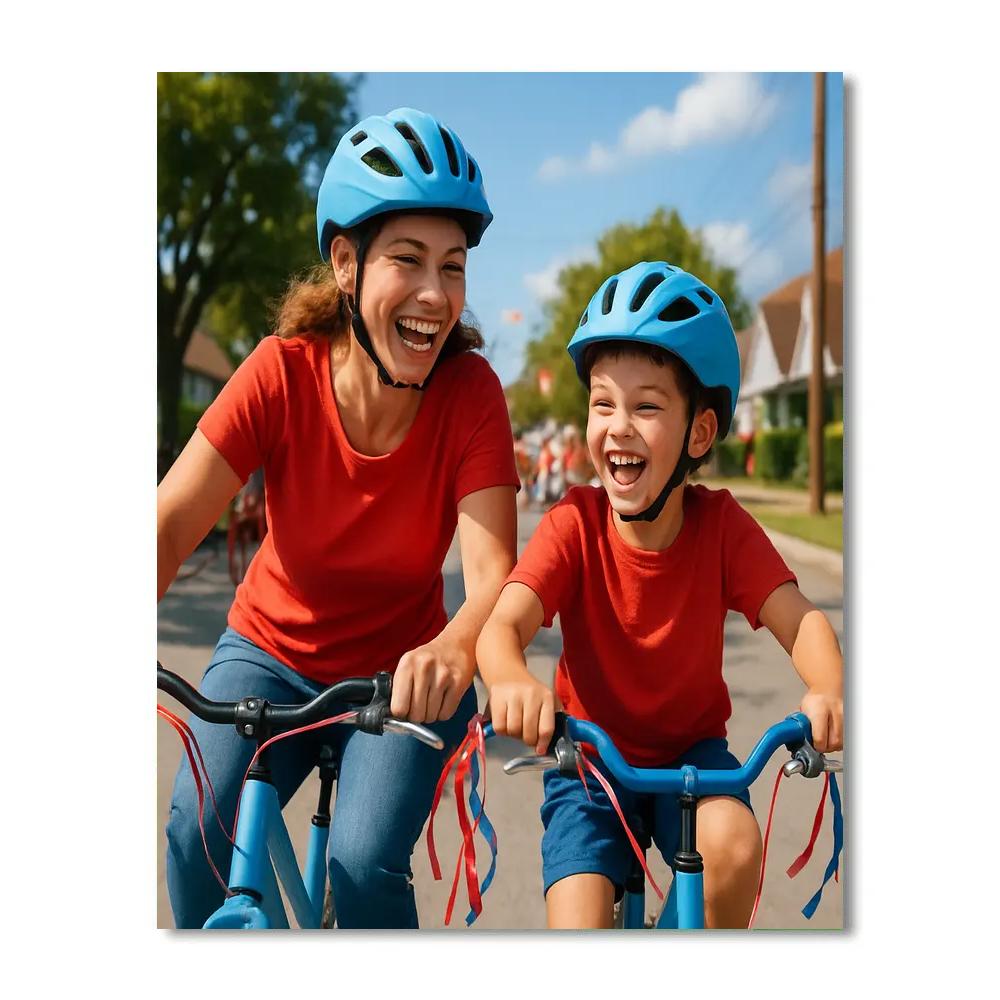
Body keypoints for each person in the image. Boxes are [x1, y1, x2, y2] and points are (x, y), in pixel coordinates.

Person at [158, 108, 519, 928]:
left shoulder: (471, 395)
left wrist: (455, 649)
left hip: (404, 674)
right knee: (192, 836)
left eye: (453, 267)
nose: (435, 293)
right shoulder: (279, 373)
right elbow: (171, 523)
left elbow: (497, 581)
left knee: (360, 867)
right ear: (346, 265)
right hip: (268, 652)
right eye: (408, 259)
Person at [476, 261, 843, 929]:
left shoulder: (722, 527)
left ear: (699, 433)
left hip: (694, 762)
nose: (618, 426)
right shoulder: (573, 525)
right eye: (602, 403)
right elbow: (502, 626)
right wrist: (510, 680)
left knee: (732, 843)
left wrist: (826, 690)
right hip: (587, 761)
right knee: (576, 926)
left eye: (646, 406)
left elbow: (802, 621)